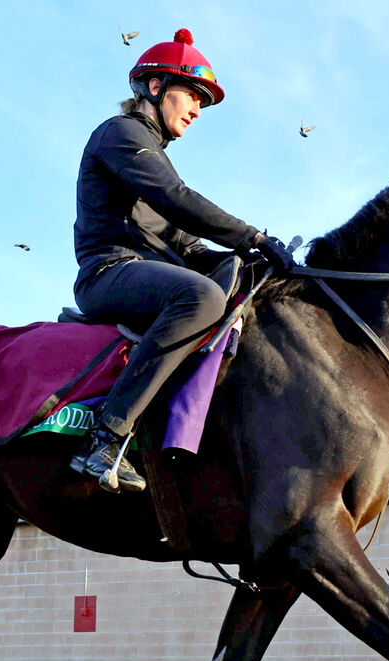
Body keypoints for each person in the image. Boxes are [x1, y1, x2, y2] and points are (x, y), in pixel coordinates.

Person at [68, 28, 294, 493]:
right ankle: (105, 437)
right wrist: (252, 235)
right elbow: (176, 199)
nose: (196, 110)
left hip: (148, 273)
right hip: (108, 274)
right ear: (155, 88)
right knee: (201, 295)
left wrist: (252, 260)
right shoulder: (120, 134)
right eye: (191, 96)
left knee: (233, 280)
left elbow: (187, 244)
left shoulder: (153, 154)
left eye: (200, 102)